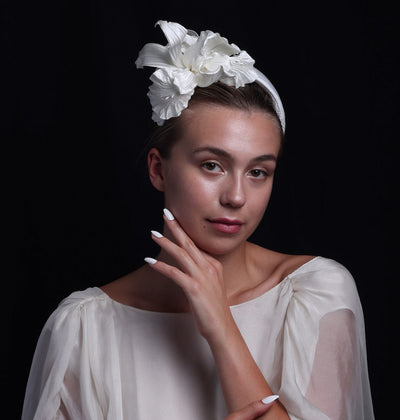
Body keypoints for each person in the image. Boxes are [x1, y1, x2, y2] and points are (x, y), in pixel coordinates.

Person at [22, 21, 374, 419]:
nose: (236, 196)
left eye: (258, 172)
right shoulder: (83, 331)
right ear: (158, 169)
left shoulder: (316, 295)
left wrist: (221, 328)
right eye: (212, 165)